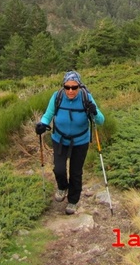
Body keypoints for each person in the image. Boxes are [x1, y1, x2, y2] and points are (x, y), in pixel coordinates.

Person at [36, 70, 105, 215]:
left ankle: (73, 201)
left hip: (80, 141)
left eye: (74, 87)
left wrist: (95, 112)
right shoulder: (57, 97)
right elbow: (48, 115)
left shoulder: (87, 98)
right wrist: (42, 124)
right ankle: (62, 187)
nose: (70, 90)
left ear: (79, 86)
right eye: (67, 87)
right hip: (59, 139)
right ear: (63, 86)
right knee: (59, 169)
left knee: (76, 173)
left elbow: (100, 121)